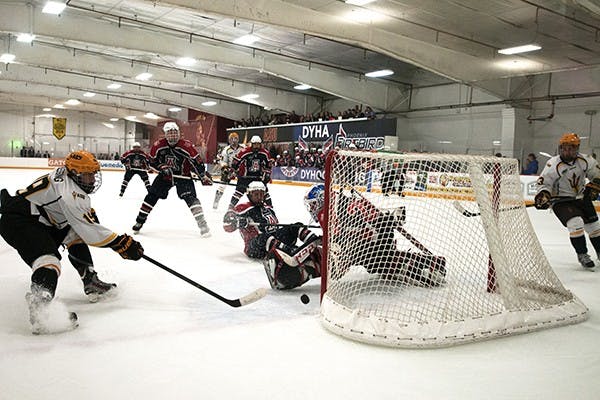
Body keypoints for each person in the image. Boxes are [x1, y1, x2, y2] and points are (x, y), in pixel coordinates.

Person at [0, 150, 144, 334]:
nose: (92, 179)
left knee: (75, 233)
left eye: (93, 174)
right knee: (49, 261)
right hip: (20, 221)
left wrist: (86, 218)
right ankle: (40, 311)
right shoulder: (70, 194)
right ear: (74, 173)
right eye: (87, 175)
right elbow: (90, 232)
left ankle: (90, 280)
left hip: (41, 218)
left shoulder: (66, 177)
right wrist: (122, 244)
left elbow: (80, 223)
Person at [304, 183, 446, 286]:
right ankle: (433, 263)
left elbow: (338, 239)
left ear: (321, 199)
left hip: (370, 238)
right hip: (379, 231)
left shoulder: (327, 210)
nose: (312, 209)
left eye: (313, 204)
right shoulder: (338, 200)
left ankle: (427, 266)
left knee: (379, 262)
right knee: (385, 262)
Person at [222, 181, 321, 290]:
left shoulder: (267, 208)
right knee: (265, 237)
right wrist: (238, 222)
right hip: (254, 246)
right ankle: (289, 251)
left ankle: (314, 242)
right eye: (256, 194)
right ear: (249, 195)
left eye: (261, 194)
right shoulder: (243, 207)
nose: (259, 197)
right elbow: (226, 224)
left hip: (273, 240)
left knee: (295, 227)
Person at [131, 122, 213, 237]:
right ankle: (139, 221)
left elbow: (197, 162)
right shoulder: (158, 145)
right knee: (152, 195)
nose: (173, 136)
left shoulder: (187, 145)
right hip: (165, 176)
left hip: (183, 176)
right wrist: (161, 167)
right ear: (165, 135)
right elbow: (151, 161)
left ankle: (202, 224)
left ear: (179, 134)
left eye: (175, 133)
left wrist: (202, 175)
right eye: (170, 133)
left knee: (191, 198)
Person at [535, 132, 600, 269]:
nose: (566, 151)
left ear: (577, 148)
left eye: (570, 148)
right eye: (564, 148)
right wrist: (544, 194)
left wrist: (595, 186)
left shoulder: (585, 160)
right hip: (562, 201)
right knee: (576, 223)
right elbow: (543, 183)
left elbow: (597, 175)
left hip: (581, 198)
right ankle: (582, 254)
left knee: (595, 228)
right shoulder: (554, 164)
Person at [227, 135, 273, 210]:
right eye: (255, 144)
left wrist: (267, 174)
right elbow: (235, 162)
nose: (256, 146)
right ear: (252, 144)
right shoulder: (245, 151)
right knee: (238, 192)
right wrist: (232, 171)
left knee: (264, 192)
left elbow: (269, 164)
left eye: (258, 144)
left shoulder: (264, 153)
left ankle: (270, 208)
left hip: (258, 177)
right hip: (245, 177)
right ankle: (230, 208)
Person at [213, 132, 243, 209]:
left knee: (243, 187)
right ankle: (216, 201)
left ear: (238, 139)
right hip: (229, 169)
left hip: (240, 170)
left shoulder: (242, 148)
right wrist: (225, 168)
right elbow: (223, 161)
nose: (234, 141)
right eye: (232, 139)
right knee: (222, 186)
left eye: (235, 138)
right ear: (229, 140)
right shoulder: (226, 150)